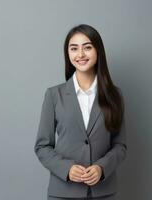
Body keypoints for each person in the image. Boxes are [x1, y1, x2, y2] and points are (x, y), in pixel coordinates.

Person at [34, 24, 127, 200]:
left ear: (98, 51)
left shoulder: (115, 95)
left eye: (87, 47)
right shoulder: (54, 95)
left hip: (104, 192)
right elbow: (42, 146)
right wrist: (67, 168)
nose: (81, 54)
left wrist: (102, 168)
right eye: (74, 48)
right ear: (68, 54)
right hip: (63, 192)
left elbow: (120, 146)